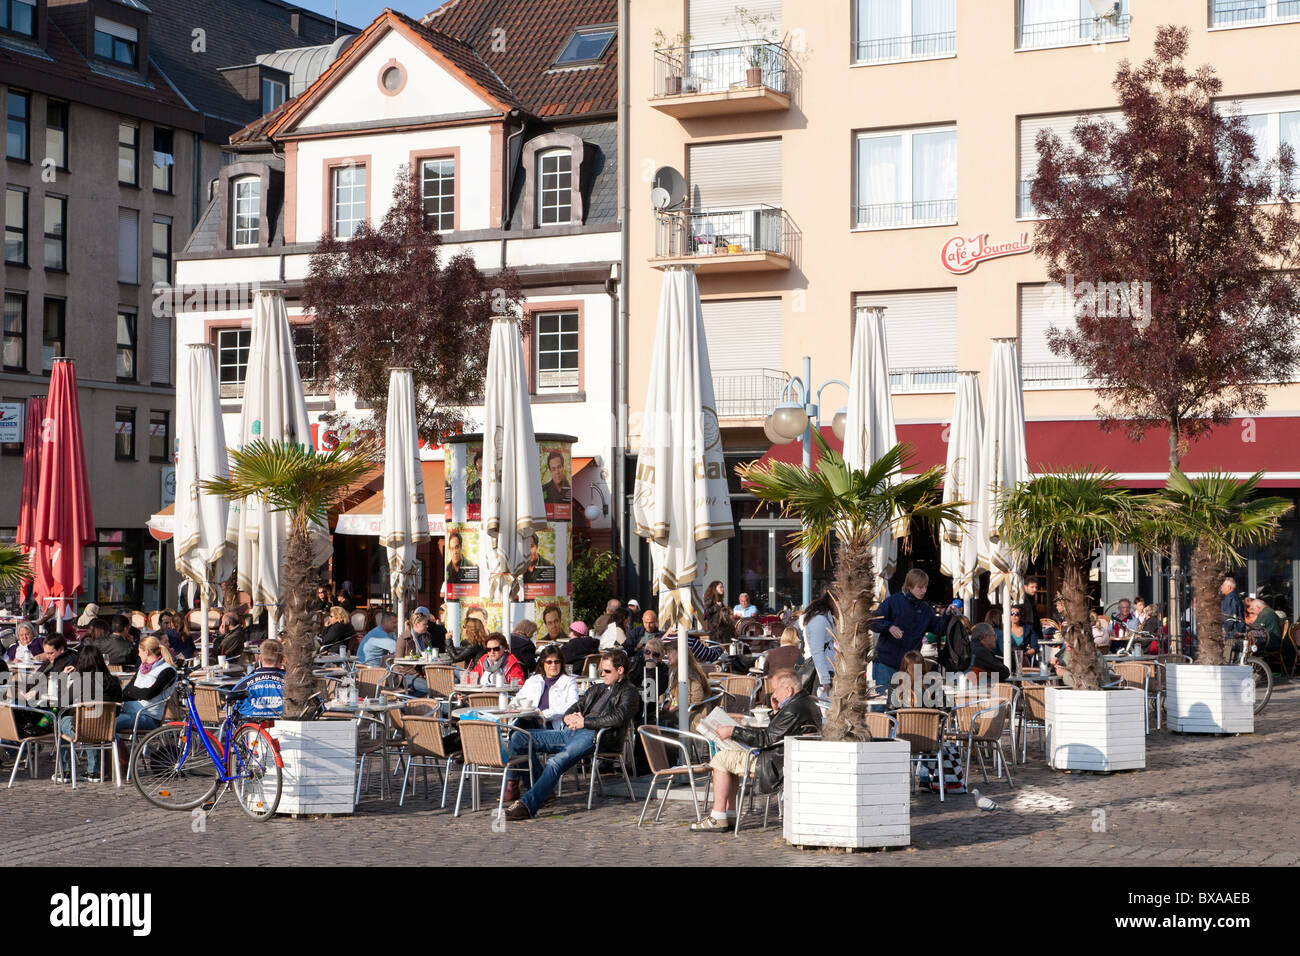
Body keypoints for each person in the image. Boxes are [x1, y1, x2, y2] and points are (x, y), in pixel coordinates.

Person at [503, 648, 641, 820]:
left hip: (596, 736)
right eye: (601, 671)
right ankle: (542, 791)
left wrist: (586, 722)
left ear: (620, 670)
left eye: (606, 671)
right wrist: (569, 716)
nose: (602, 674)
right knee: (520, 737)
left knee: (555, 761)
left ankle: (528, 805)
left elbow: (619, 718)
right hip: (572, 731)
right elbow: (576, 706)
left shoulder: (630, 692)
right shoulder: (598, 688)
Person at [690, 668, 822, 831]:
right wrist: (776, 711)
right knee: (729, 758)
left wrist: (733, 731)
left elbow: (765, 739)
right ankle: (729, 814)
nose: (773, 695)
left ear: (788, 690)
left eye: (775, 690)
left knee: (721, 759)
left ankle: (718, 816)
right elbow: (778, 733)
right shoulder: (805, 703)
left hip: (774, 763)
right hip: (783, 756)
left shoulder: (793, 709)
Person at [869, 569, 952, 699]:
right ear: (909, 586)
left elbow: (938, 629)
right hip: (885, 664)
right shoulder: (893, 602)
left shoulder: (925, 609)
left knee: (907, 707)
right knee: (882, 706)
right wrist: (889, 627)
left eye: (925, 587)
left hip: (910, 668)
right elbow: (873, 621)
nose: (924, 591)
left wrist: (946, 615)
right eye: (920, 587)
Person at [55, 644, 124, 782]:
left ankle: (66, 771)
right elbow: (117, 710)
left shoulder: (79, 681)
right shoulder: (114, 682)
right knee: (90, 723)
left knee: (61, 720)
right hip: (106, 729)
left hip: (82, 730)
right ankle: (93, 771)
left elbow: (61, 704)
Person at [118, 636, 178, 744]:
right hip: (132, 712)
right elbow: (127, 692)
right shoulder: (142, 668)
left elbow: (149, 694)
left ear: (146, 652)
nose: (138, 654)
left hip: (148, 717)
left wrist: (131, 691)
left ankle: (121, 758)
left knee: (107, 725)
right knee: (102, 722)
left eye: (139, 651)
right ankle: (117, 757)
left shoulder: (168, 671)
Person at [510, 644, 579, 731]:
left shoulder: (568, 681)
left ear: (561, 663)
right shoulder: (533, 680)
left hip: (552, 726)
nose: (553, 665)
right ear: (543, 663)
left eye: (557, 662)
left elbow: (572, 705)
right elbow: (518, 699)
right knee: (521, 725)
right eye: (549, 662)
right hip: (529, 721)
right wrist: (512, 709)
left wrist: (544, 714)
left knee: (520, 731)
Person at [660, 638, 711, 731]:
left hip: (694, 714)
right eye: (666, 652)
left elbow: (697, 697)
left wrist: (676, 707)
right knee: (656, 718)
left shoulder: (688, 672)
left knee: (658, 722)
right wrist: (669, 702)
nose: (667, 656)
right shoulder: (672, 669)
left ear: (680, 652)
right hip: (680, 710)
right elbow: (672, 692)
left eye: (670, 652)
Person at [230, 639, 286, 720]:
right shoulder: (291, 683)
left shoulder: (244, 683)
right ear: (281, 660)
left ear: (260, 659)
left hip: (250, 729)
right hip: (286, 729)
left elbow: (231, 707)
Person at [800, 591, 836, 695]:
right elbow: (816, 651)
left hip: (823, 670)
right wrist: (825, 680)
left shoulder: (824, 618)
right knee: (821, 706)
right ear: (833, 603)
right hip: (820, 672)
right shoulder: (820, 620)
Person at [392, 610, 435, 695]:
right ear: (416, 625)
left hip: (421, 672)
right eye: (424, 624)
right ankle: (409, 705)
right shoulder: (404, 638)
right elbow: (398, 662)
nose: (427, 626)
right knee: (430, 688)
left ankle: (414, 703)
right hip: (405, 674)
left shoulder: (426, 637)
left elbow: (430, 654)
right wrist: (418, 674)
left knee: (443, 684)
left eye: (427, 624)